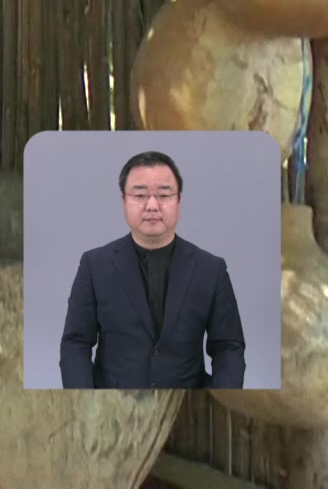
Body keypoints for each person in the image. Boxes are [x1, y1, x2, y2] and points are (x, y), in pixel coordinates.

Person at [58, 150, 246, 389]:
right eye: (140, 195)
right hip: (111, 403)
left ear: (179, 201)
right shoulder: (94, 266)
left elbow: (228, 347)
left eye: (164, 195)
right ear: (123, 201)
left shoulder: (211, 269)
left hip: (186, 404)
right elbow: (76, 343)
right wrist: (83, 400)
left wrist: (222, 399)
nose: (152, 205)